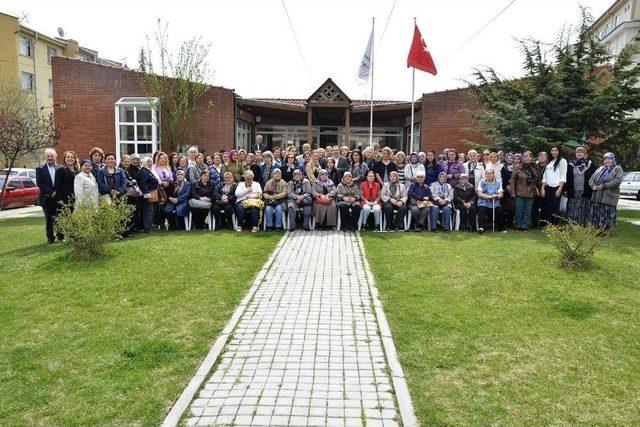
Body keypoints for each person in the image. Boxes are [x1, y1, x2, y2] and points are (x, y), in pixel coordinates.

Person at [589, 152, 624, 234]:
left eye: (609, 158)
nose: (607, 160)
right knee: (597, 212)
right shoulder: (600, 168)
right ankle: (597, 229)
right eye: (605, 159)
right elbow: (591, 179)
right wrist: (593, 186)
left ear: (613, 159)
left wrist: (604, 185)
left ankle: (605, 231)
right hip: (597, 195)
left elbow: (618, 181)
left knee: (607, 213)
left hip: (609, 196)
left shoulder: (617, 169)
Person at [565, 146, 596, 226]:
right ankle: (572, 225)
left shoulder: (589, 164)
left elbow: (595, 177)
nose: (579, 153)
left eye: (581, 152)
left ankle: (583, 225)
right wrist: (565, 189)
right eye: (577, 152)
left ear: (585, 154)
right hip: (573, 191)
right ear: (575, 154)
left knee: (584, 208)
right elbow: (567, 178)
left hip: (586, 190)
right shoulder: (571, 164)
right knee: (573, 208)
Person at [509, 151, 540, 231]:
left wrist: (537, 188)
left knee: (528, 210)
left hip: (531, 192)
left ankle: (524, 226)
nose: (528, 158)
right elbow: (512, 180)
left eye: (530, 156)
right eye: (526, 156)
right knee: (519, 210)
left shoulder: (535, 167)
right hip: (520, 192)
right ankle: (517, 226)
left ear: (532, 158)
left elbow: (537, 180)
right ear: (523, 158)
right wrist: (513, 192)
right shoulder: (518, 167)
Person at [36, 148, 61, 243]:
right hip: (46, 198)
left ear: (55, 156)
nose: (50, 158)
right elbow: (40, 183)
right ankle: (50, 237)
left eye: (52, 156)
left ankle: (60, 236)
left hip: (58, 197)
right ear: (45, 157)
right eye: (48, 156)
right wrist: (51, 192)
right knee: (49, 219)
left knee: (59, 217)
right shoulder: (40, 169)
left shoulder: (60, 168)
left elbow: (61, 182)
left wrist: (57, 192)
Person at [540, 145, 567, 226]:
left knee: (555, 207)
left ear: (559, 151)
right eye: (552, 150)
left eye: (556, 150)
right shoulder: (550, 162)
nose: (554, 152)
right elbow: (545, 176)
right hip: (548, 187)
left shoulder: (562, 161)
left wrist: (560, 189)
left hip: (557, 187)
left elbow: (563, 175)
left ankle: (554, 225)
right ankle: (549, 225)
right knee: (548, 207)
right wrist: (542, 188)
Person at [477, 169, 505, 234]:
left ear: (493, 174)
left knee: (500, 211)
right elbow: (479, 194)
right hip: (483, 202)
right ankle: (482, 228)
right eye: (488, 174)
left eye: (491, 173)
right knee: (482, 210)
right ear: (485, 175)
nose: (489, 175)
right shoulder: (482, 182)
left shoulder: (498, 182)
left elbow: (501, 194)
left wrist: (497, 196)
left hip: (494, 202)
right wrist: (488, 196)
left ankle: (501, 228)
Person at [138, 157, 160, 233]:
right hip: (149, 193)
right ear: (144, 163)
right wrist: (147, 195)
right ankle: (148, 228)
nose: (150, 163)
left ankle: (150, 227)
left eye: (151, 161)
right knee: (149, 211)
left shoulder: (150, 170)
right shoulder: (143, 171)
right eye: (148, 162)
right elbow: (143, 184)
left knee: (151, 211)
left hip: (153, 192)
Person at [532, 151, 549, 228]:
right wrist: (536, 188)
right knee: (534, 207)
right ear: (538, 158)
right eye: (540, 156)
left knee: (544, 208)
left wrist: (543, 189)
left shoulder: (549, 166)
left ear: (546, 158)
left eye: (544, 156)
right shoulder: (534, 167)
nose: (542, 157)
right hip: (535, 189)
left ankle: (543, 225)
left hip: (546, 189)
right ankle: (534, 224)